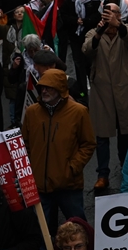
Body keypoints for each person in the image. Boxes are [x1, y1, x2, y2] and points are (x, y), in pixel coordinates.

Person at [21, 69, 96, 236]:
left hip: (68, 186)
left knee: (78, 230)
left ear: (61, 88)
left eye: (49, 87)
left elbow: (88, 144)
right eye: (42, 87)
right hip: (40, 186)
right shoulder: (32, 112)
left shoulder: (78, 112)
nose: (44, 91)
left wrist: (72, 168)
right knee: (42, 234)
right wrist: (31, 169)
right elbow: (24, 143)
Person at [83, 2, 128, 192]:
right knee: (102, 135)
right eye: (107, 13)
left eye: (114, 12)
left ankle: (126, 168)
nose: (110, 16)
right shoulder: (94, 32)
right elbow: (87, 50)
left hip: (123, 88)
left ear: (119, 15)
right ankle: (102, 175)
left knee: (124, 132)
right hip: (102, 90)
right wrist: (99, 32)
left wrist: (119, 25)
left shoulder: (126, 30)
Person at [61, 0, 101, 92]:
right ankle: (83, 91)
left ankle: (95, 88)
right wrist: (75, 21)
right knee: (79, 64)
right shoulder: (69, 1)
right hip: (75, 38)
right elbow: (64, 16)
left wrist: (86, 21)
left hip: (89, 35)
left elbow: (98, 15)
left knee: (91, 63)